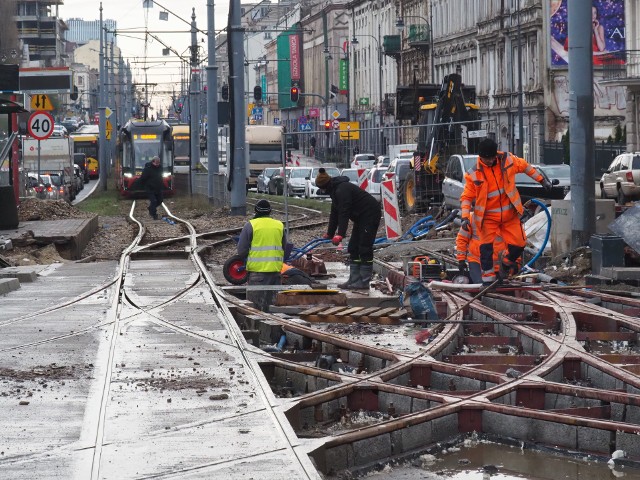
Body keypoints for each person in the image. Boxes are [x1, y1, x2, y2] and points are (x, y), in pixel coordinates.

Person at [460, 138, 552, 285]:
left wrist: (542, 180)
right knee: (486, 250)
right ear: (480, 157)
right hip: (487, 218)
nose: (490, 161)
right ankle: (488, 282)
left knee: (520, 244)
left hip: (509, 216)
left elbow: (525, 167)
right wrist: (465, 217)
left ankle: (507, 262)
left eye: (491, 157)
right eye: (486, 158)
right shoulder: (474, 174)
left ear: (495, 154)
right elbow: (466, 197)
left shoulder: (507, 160)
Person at [315, 167, 381, 290]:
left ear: (325, 186)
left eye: (321, 188)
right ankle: (354, 279)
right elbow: (334, 213)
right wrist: (330, 233)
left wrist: (340, 234)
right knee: (353, 248)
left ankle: (364, 281)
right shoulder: (334, 191)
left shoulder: (342, 190)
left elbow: (343, 213)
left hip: (370, 214)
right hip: (360, 218)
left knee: (364, 248)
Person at [236, 199, 287, 311]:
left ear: (255, 211)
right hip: (275, 273)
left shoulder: (250, 225)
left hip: (257, 274)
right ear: (270, 211)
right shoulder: (279, 225)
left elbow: (241, 251)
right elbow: (284, 247)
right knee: (275, 308)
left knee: (256, 309)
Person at [455, 213, 507, 284]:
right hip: (476, 261)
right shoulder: (472, 218)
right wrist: (461, 259)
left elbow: (514, 243)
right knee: (480, 284)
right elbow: (462, 239)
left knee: (498, 287)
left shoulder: (506, 218)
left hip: (498, 265)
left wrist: (514, 263)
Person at [137, 155, 164, 220]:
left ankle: (151, 208)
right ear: (153, 162)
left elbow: (160, 177)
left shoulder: (160, 168)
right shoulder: (147, 169)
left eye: (158, 163)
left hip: (158, 187)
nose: (157, 164)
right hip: (150, 188)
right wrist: (141, 186)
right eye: (156, 163)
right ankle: (154, 214)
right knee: (154, 201)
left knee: (160, 200)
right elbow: (143, 178)